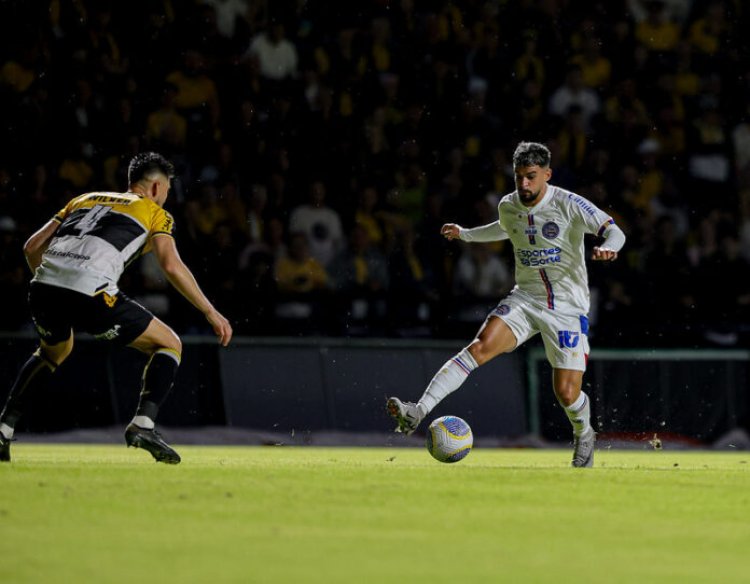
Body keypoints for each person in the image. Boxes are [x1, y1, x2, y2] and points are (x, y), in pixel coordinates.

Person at [387, 142, 626, 468]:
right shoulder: (508, 205)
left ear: (547, 174)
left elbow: (614, 231)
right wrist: (466, 234)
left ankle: (584, 432)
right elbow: (505, 227)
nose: (524, 185)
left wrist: (609, 247)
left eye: (531, 177)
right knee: (479, 347)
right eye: (518, 178)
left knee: (567, 394)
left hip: (567, 308)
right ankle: (418, 410)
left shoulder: (569, 204)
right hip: (525, 299)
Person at [0, 152, 233, 464]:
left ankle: (3, 428)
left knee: (53, 352)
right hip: (91, 290)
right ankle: (144, 425)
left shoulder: (83, 198)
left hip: (43, 287)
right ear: (154, 188)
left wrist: (53, 283)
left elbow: (31, 247)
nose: (165, 197)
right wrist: (209, 311)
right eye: (165, 190)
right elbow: (171, 265)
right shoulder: (155, 213)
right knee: (169, 344)